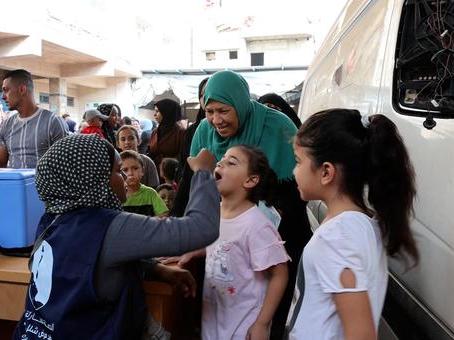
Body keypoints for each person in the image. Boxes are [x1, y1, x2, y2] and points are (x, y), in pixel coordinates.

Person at [13, 134, 220, 339]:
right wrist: (203, 172)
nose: (124, 178)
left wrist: (155, 268)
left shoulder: (51, 219)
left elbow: (87, 264)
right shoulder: (109, 225)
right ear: (94, 179)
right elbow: (201, 229)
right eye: (116, 171)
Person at [189, 70, 312, 339]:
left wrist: (257, 217)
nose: (215, 120)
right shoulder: (203, 132)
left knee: (267, 311)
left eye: (223, 110)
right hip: (228, 237)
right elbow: (193, 183)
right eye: (209, 111)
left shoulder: (278, 126)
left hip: (279, 233)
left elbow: (296, 190)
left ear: (240, 104)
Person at [286, 109, 419, 339]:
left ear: (326, 171)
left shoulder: (338, 236)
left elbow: (361, 334)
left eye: (298, 161)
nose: (293, 171)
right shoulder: (359, 222)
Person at [167, 145, 290, 339]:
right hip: (215, 321)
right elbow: (226, 244)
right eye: (221, 159)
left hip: (243, 326)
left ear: (250, 180)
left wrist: (262, 323)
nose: (221, 162)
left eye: (231, 162)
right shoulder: (214, 212)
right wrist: (196, 250)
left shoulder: (256, 224)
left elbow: (280, 273)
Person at [0, 69, 69, 169]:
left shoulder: (53, 122)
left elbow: (66, 165)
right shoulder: (5, 126)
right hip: (14, 184)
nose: (2, 96)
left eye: (6, 90)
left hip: (45, 184)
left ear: (22, 90)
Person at [170, 77, 208, 217]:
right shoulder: (193, 131)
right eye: (204, 94)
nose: (208, 97)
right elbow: (186, 168)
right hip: (196, 194)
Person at [120, 150, 168, 217]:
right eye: (125, 170)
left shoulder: (150, 193)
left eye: (135, 168)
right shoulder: (117, 195)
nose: (130, 173)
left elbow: (163, 214)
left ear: (143, 171)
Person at [148, 98, 186, 169]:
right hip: (155, 171)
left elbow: (182, 157)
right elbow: (150, 151)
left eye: (157, 111)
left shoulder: (181, 133)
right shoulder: (155, 132)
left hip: (172, 174)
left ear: (166, 112)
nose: (154, 114)